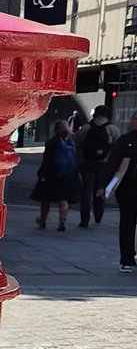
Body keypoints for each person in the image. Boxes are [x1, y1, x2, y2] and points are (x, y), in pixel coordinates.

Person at [99, 122, 137, 272]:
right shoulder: (124, 140)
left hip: (129, 186)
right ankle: (126, 258)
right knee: (128, 221)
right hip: (127, 187)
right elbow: (113, 163)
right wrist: (103, 185)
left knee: (129, 222)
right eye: (134, 119)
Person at [35, 114, 80, 231]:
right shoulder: (71, 143)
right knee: (63, 199)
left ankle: (43, 220)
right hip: (66, 175)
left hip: (51, 175)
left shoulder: (51, 142)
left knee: (46, 199)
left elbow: (46, 160)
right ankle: (62, 219)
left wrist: (42, 174)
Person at [78, 105, 113, 227]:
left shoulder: (86, 128)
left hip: (86, 164)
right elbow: (117, 146)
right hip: (104, 164)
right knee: (100, 190)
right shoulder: (111, 129)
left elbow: (76, 143)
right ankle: (98, 215)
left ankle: (84, 219)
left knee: (86, 192)